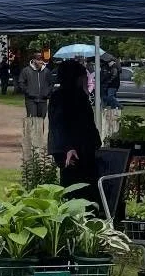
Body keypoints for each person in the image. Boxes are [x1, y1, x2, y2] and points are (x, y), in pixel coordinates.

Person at [48, 58, 100, 197]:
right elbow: (60, 124)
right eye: (83, 77)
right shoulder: (65, 97)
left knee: (84, 186)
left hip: (82, 148)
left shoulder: (75, 95)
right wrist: (68, 147)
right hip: (74, 150)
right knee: (75, 188)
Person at [20, 47, 53, 162]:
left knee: (42, 119)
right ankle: (33, 141)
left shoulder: (46, 71)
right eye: (38, 60)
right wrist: (29, 93)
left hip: (43, 100)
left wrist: (47, 93)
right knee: (33, 119)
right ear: (34, 60)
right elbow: (21, 83)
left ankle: (39, 140)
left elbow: (51, 84)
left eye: (41, 60)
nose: (40, 62)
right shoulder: (26, 71)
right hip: (31, 100)